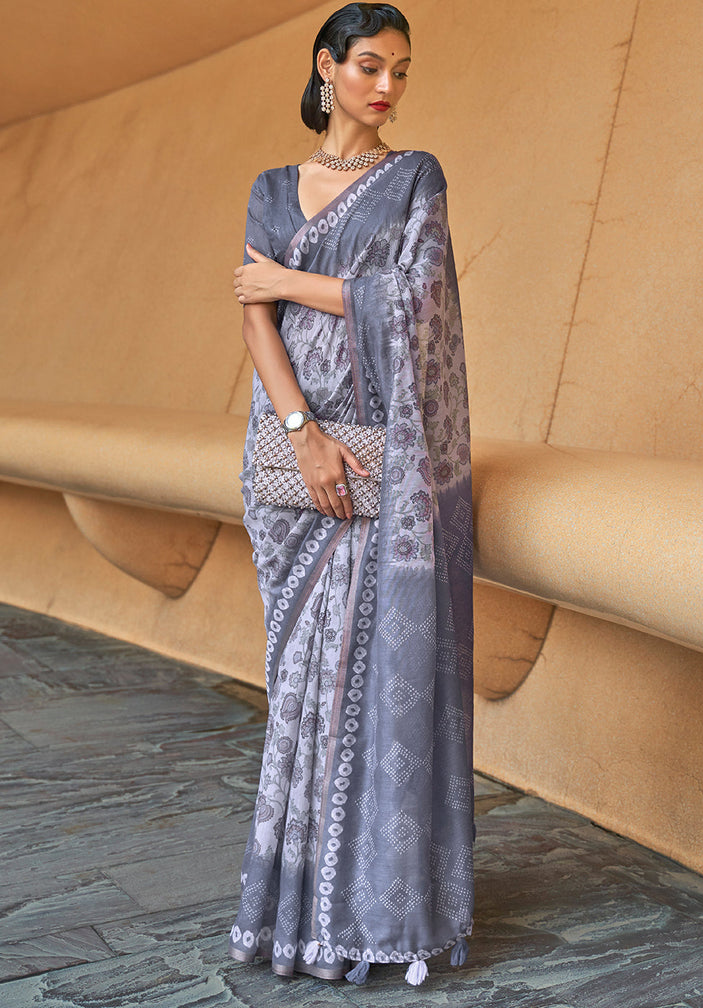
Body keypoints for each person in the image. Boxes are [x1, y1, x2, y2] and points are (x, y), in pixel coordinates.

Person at [228, 2, 474, 988]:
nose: (387, 87)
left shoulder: (415, 179)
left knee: (371, 695)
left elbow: (419, 303)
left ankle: (377, 914)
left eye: (401, 71)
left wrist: (289, 280)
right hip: (295, 467)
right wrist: (306, 435)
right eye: (370, 65)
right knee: (301, 697)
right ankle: (294, 921)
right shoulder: (270, 189)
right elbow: (254, 320)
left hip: (385, 466)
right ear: (326, 67)